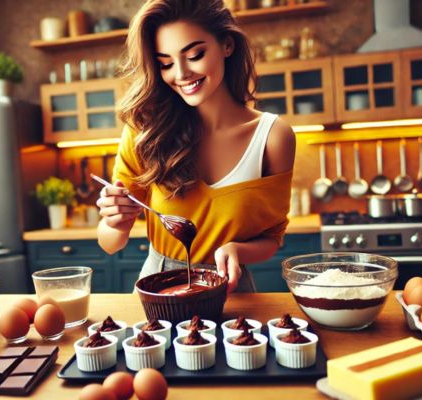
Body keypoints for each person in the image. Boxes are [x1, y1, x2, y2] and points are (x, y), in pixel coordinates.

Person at [96, 0, 295, 294]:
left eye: (194, 55)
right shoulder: (145, 131)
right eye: (166, 63)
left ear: (227, 45)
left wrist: (238, 250)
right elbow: (110, 244)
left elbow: (272, 238)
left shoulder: (273, 137)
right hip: (157, 289)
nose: (181, 73)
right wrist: (116, 223)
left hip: (232, 293)